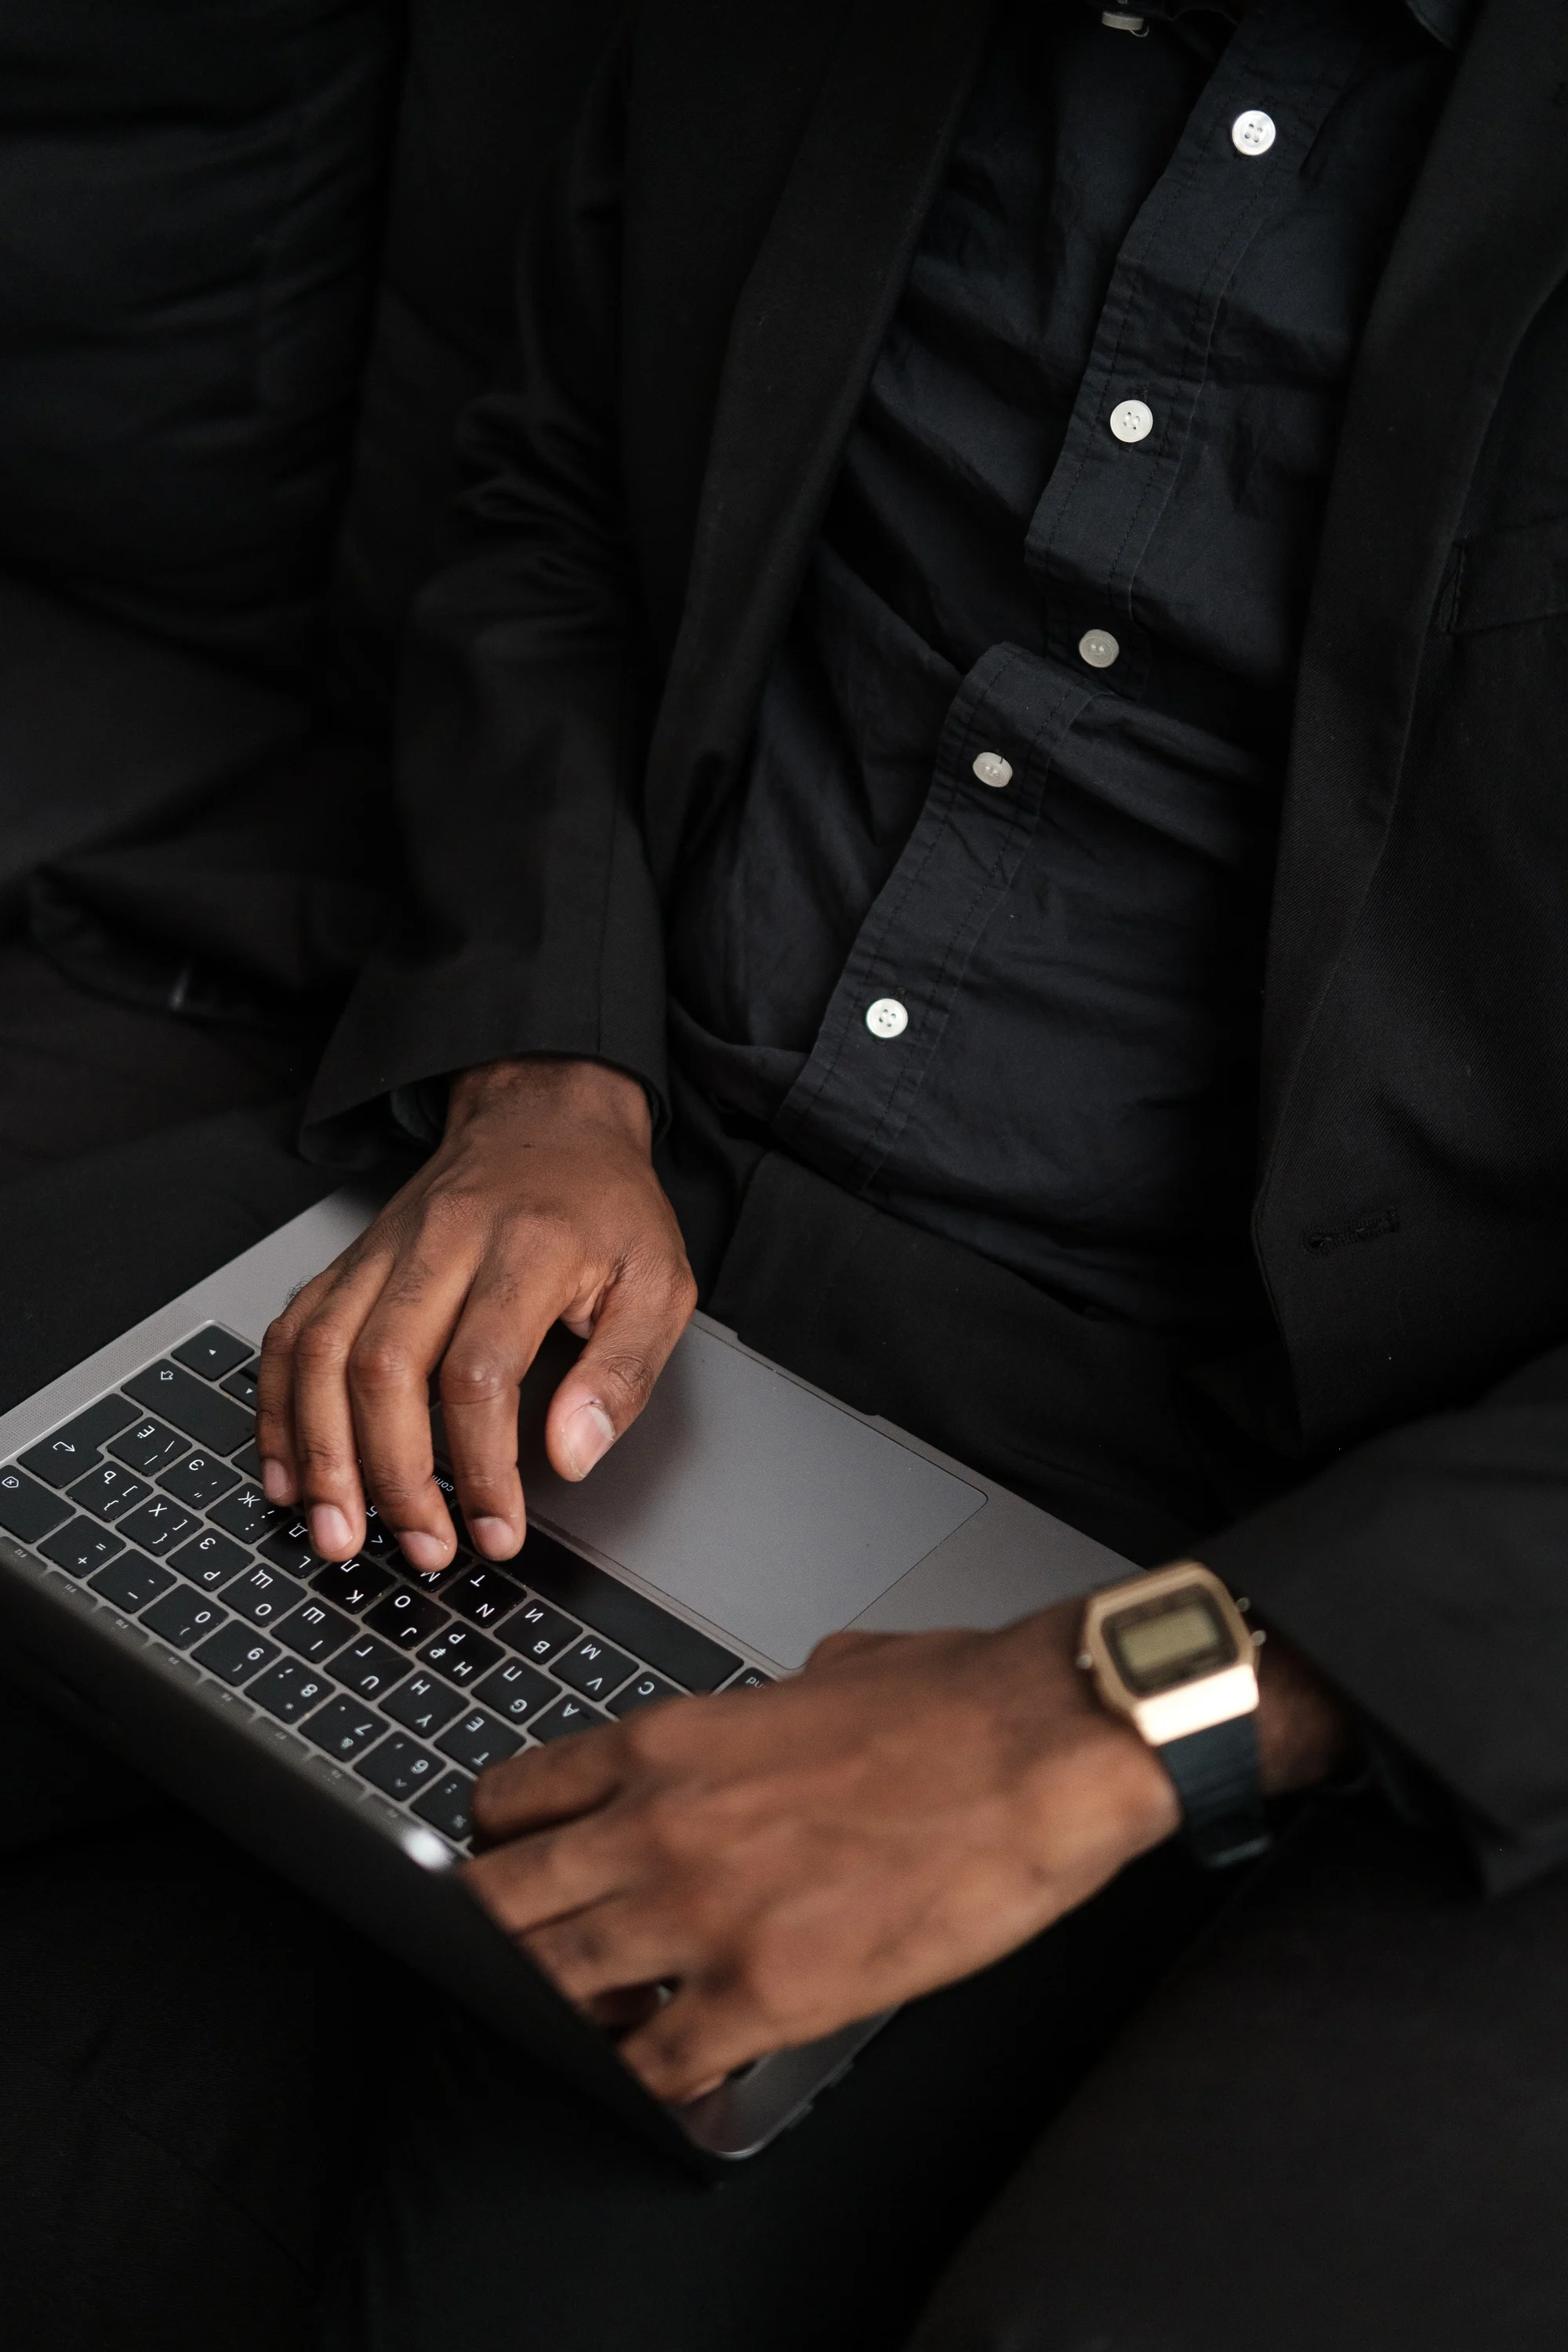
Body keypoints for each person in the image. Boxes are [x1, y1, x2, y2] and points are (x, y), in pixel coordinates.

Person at [5, 0, 1568, 2345]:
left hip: (1148, 1465)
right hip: (574, 1143)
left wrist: (1111, 1714)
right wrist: (544, 1065)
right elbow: (540, 503)